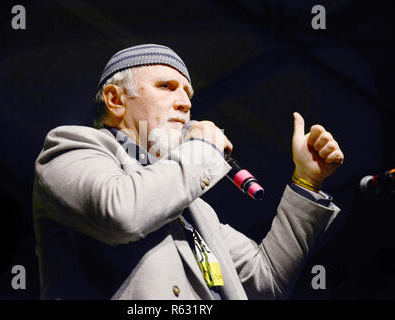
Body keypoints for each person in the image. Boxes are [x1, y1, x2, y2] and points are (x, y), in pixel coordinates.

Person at [32, 44, 344, 300]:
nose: (184, 104)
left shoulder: (196, 210)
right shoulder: (72, 146)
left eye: (188, 95)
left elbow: (268, 281)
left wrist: (307, 180)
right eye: (165, 87)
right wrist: (202, 150)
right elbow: (121, 212)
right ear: (115, 99)